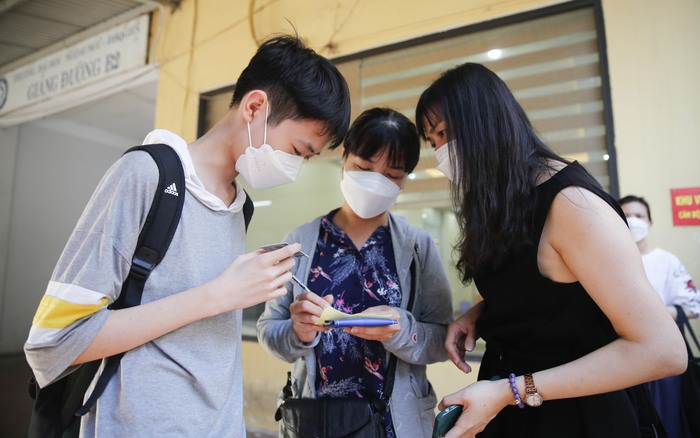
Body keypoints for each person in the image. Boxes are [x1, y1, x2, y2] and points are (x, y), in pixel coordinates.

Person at [24, 34, 351, 437]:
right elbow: (55, 342)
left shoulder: (239, 207)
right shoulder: (145, 176)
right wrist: (218, 294)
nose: (296, 168)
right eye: (298, 151)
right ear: (254, 107)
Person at [414, 62, 687, 438]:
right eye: (433, 142)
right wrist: (482, 312)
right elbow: (548, 294)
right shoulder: (508, 200)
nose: (441, 154)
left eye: (444, 133)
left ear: (486, 121)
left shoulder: (572, 204)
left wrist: (511, 391)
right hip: (516, 408)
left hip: (578, 416)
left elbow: (663, 351)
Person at [257, 107, 453, 438]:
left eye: (392, 175)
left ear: (405, 180)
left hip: (394, 426)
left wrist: (401, 330)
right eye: (363, 168)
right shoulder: (301, 241)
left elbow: (443, 340)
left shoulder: (417, 247)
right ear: (344, 156)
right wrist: (298, 331)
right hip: (317, 422)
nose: (376, 183)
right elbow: (267, 330)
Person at [619, 194, 700, 438]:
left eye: (639, 216)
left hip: (662, 362)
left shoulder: (666, 261)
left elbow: (693, 305)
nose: (633, 221)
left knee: (667, 421)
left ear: (650, 222)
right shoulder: (607, 261)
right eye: (627, 216)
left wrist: (653, 314)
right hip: (621, 360)